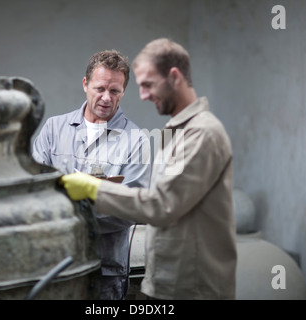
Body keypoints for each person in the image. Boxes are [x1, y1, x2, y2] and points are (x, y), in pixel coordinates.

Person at [59, 38, 237, 300]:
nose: (143, 96)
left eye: (148, 85)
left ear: (174, 77)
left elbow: (161, 204)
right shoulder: (174, 132)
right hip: (170, 282)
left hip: (195, 288)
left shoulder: (202, 134)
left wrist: (95, 188)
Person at [32, 50, 151, 300]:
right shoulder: (54, 129)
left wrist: (70, 218)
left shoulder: (136, 140)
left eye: (115, 91)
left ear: (123, 92)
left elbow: (130, 208)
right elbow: (34, 192)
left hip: (105, 272)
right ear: (85, 84)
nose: (107, 98)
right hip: (54, 265)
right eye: (100, 88)